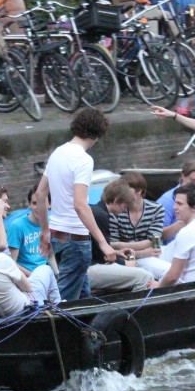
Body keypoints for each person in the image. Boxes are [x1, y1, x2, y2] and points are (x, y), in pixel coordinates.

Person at [35, 107, 113, 301]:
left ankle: (87, 330)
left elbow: (40, 193)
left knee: (84, 296)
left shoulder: (57, 153)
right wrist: (103, 243)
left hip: (57, 236)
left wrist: (45, 231)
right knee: (65, 302)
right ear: (97, 135)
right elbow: (80, 204)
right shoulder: (84, 160)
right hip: (76, 241)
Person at [149, 183, 195, 289]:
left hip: (187, 291)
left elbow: (173, 277)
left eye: (179, 204)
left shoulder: (188, 232)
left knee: (142, 263)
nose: (174, 207)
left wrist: (158, 285)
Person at [88, 180, 154, 293]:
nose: (125, 209)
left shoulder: (96, 211)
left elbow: (96, 248)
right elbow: (102, 257)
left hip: (89, 265)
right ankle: (136, 308)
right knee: (144, 277)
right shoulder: (101, 216)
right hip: (89, 269)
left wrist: (117, 252)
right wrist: (125, 263)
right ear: (116, 200)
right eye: (125, 205)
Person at [111, 171, 166, 258]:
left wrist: (118, 245)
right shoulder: (116, 210)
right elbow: (112, 246)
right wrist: (139, 253)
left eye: (126, 190)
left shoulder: (156, 209)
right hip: (125, 258)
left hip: (153, 255)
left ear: (139, 191)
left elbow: (153, 241)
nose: (122, 193)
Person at [155, 159, 195, 243]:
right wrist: (182, 223)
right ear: (183, 176)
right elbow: (157, 235)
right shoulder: (166, 201)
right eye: (192, 181)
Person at [8, 183, 53, 277]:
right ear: (29, 205)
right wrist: (34, 276)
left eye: (43, 202)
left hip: (45, 274)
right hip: (25, 278)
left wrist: (57, 275)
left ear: (50, 205)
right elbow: (11, 263)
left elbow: (51, 256)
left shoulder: (52, 224)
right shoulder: (17, 226)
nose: (39, 207)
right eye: (35, 203)